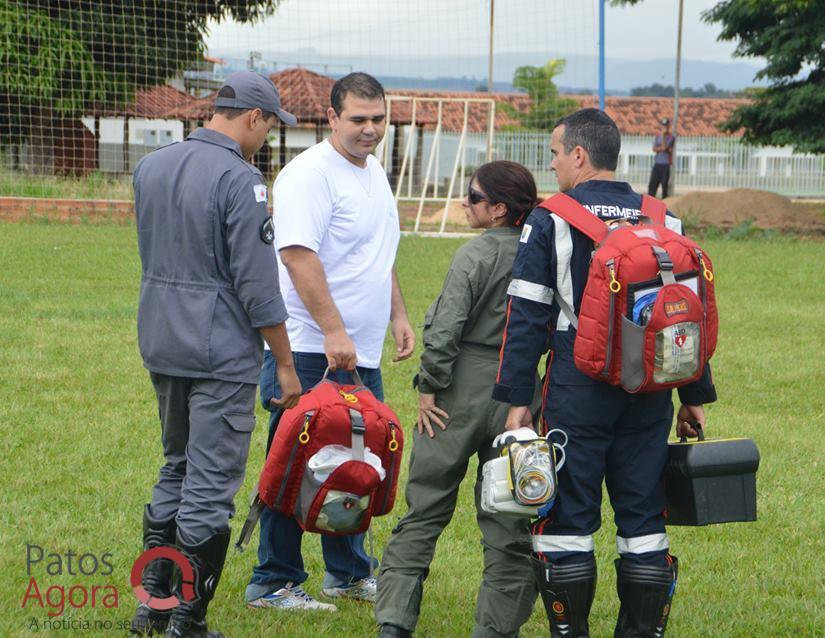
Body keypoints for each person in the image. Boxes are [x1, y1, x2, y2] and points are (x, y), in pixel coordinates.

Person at [493, 108, 716, 637]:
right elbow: (684, 314)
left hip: (578, 383)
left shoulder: (549, 220)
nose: (550, 166)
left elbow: (526, 315)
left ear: (579, 155)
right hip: (650, 387)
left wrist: (517, 398)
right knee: (643, 518)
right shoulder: (664, 219)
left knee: (569, 517)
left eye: (553, 154)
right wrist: (693, 393)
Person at [131, 71, 302, 638]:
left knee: (174, 467)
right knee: (209, 486)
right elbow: (258, 287)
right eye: (271, 125)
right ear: (253, 117)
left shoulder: (151, 166)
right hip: (219, 351)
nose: (268, 136)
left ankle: (150, 608)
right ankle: (186, 618)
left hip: (161, 339)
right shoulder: (240, 180)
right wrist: (282, 360)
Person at [245, 72, 416, 611]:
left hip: (359, 352)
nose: (370, 130)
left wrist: (398, 315)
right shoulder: (309, 175)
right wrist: (333, 330)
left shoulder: (374, 173)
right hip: (311, 348)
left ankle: (346, 574)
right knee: (295, 464)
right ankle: (272, 581)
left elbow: (376, 256)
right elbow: (297, 255)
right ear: (333, 118)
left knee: (355, 464)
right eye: (358, 120)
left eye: (378, 119)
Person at [376, 161, 543, 638]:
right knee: (509, 520)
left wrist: (428, 386)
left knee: (425, 508)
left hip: (456, 391)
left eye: (472, 197)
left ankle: (394, 623)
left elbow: (446, 327)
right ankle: (495, 630)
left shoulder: (474, 254)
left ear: (497, 209)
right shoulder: (546, 253)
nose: (465, 204)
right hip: (520, 394)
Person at [647, 117, 675, 199]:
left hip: (665, 165)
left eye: (666, 126)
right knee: (652, 185)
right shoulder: (657, 136)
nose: (664, 128)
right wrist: (662, 148)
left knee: (664, 186)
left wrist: (663, 136)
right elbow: (654, 149)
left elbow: (665, 147)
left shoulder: (671, 137)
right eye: (663, 126)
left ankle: (665, 203)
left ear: (669, 126)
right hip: (657, 164)